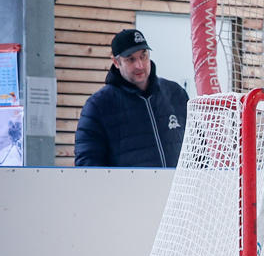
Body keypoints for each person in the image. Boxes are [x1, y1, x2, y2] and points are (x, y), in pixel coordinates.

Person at [73, 28, 189, 168]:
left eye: (143, 56)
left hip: (178, 183)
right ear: (116, 62)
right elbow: (87, 166)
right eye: (130, 59)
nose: (139, 65)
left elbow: (199, 149)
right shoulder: (98, 106)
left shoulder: (176, 94)